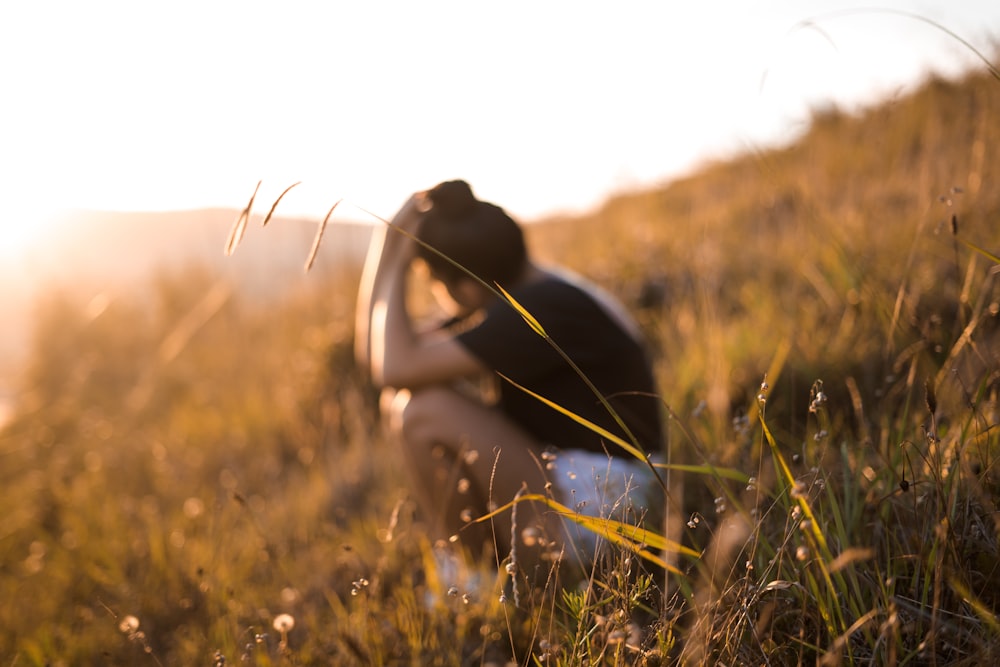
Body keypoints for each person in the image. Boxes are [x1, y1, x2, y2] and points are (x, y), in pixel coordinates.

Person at [354, 180, 664, 586]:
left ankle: (475, 580)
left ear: (464, 287)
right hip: (598, 483)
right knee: (403, 403)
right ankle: (483, 568)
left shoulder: (540, 310)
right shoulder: (528, 292)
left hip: (617, 504)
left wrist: (391, 254)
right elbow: (379, 359)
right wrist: (387, 245)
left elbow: (391, 369)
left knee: (422, 412)